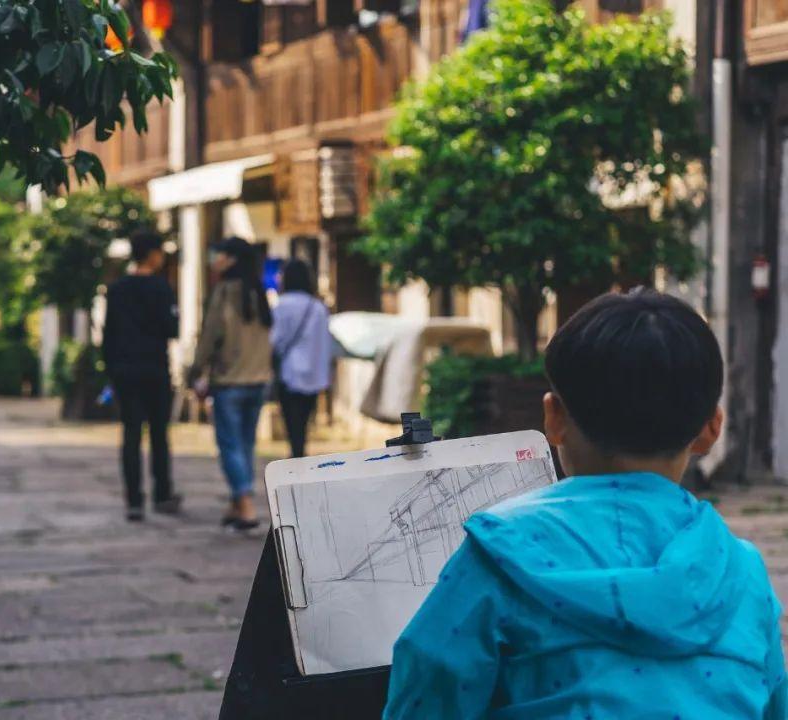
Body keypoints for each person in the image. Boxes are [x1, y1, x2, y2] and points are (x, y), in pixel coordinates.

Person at [385, 290, 786, 719]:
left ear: (554, 418)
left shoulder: (499, 556)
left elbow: (422, 699)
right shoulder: (742, 570)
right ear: (711, 429)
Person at [189, 237, 272, 531]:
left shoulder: (225, 292)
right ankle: (237, 504)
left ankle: (245, 504)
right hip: (258, 379)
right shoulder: (258, 292)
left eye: (219, 254)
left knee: (229, 445)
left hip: (230, 380)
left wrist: (195, 370)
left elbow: (211, 335)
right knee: (246, 444)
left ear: (232, 258)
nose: (215, 259)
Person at [102, 230, 181, 523]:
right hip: (155, 368)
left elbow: (108, 334)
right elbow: (172, 328)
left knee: (131, 435)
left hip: (125, 371)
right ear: (152, 254)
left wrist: (111, 370)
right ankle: (162, 494)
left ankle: (134, 500)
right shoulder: (161, 288)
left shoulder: (117, 289)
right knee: (159, 435)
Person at [271, 259, 331, 458]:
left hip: (289, 373)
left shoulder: (282, 305)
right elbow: (324, 343)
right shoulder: (318, 308)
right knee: (304, 422)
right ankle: (299, 455)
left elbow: (275, 340)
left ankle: (296, 456)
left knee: (292, 423)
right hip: (313, 375)